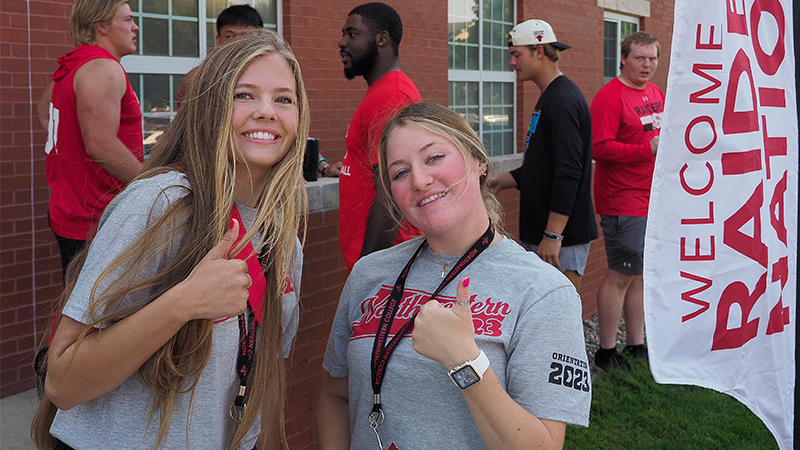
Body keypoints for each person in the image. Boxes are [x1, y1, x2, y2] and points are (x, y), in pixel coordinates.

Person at [31, 29, 309, 450]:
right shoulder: (159, 203)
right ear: (210, 109)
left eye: (283, 99)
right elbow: (63, 382)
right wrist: (184, 302)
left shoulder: (285, 240)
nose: (267, 112)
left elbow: (264, 379)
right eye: (244, 95)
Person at [316, 102, 590, 450]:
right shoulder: (368, 275)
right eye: (400, 173)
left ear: (478, 161)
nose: (419, 180)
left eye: (434, 158)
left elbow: (544, 445)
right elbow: (336, 395)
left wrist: (465, 361)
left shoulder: (544, 292)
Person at [37, 0, 144, 278]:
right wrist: (151, 180)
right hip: (96, 218)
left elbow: (44, 112)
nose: (135, 27)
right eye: (127, 20)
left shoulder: (71, 65)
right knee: (98, 316)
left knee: (78, 307)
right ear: (102, 26)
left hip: (69, 211)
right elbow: (99, 143)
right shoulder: (103, 69)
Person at [488, 19, 597, 291]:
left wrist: (553, 234)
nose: (512, 62)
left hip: (561, 239)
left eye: (517, 54)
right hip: (549, 235)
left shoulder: (562, 100)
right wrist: (502, 180)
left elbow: (569, 171)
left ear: (539, 51)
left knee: (558, 323)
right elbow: (542, 165)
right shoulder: (550, 96)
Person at [590, 31, 664, 371]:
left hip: (652, 197)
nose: (647, 65)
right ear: (623, 59)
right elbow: (599, 147)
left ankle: (636, 343)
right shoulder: (610, 97)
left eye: (652, 58)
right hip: (622, 200)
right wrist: (644, 151)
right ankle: (606, 352)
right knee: (620, 273)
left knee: (639, 275)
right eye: (640, 58)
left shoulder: (654, 92)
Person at [337, 2, 422, 270]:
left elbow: (391, 194)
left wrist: (367, 271)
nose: (342, 43)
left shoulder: (391, 95)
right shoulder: (382, 91)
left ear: (381, 39)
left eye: (352, 34)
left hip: (389, 263)